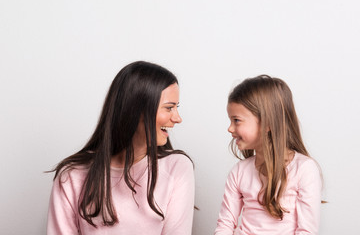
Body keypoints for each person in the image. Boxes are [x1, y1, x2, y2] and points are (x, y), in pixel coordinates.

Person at [47, 61, 195, 235]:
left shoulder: (177, 167)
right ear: (136, 110)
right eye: (169, 108)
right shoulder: (71, 175)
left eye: (176, 108)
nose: (177, 118)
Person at [215, 75, 323, 235]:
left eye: (236, 120)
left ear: (268, 124)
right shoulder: (239, 171)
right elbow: (224, 225)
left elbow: (306, 231)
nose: (230, 128)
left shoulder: (304, 169)